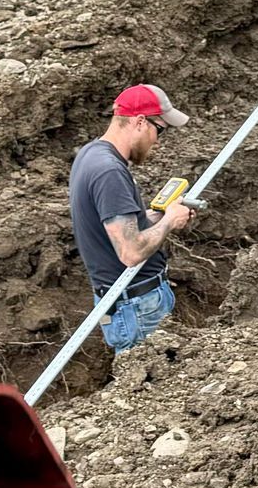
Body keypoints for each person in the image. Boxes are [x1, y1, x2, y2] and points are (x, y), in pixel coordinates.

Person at [69, 83, 194, 355]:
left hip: (122, 305)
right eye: (158, 129)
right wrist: (169, 221)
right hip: (135, 307)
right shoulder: (109, 171)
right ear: (139, 122)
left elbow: (115, 228)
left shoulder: (91, 155)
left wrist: (159, 214)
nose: (158, 141)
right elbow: (131, 251)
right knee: (150, 388)